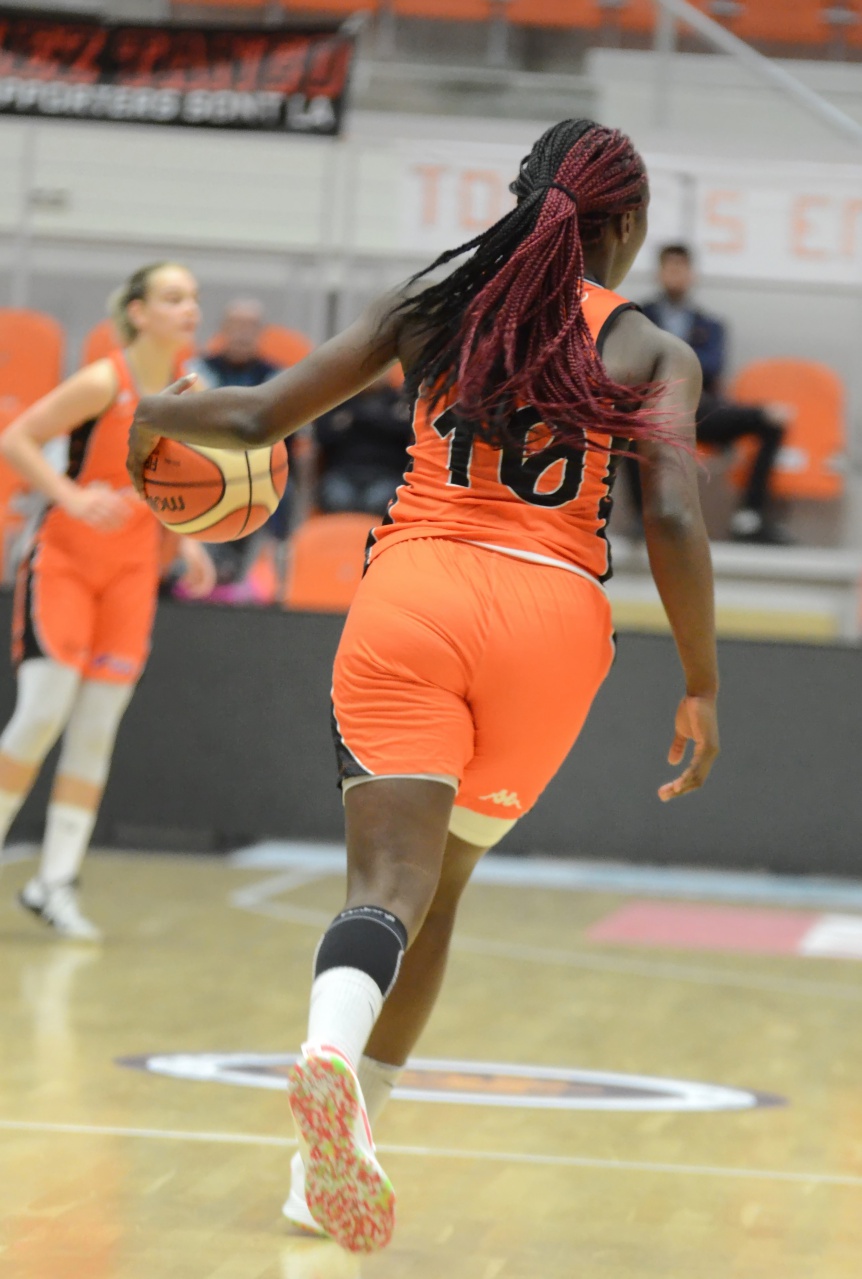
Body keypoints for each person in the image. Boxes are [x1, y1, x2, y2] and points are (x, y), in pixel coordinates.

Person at [127, 120, 720, 1254]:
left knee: (384, 882)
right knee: (442, 892)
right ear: (631, 226)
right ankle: (321, 1170)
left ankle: (326, 1053)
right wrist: (701, 682)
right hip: (554, 621)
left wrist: (151, 413)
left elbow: (255, 417)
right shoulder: (653, 349)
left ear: (521, 197)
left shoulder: (437, 303)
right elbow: (677, 521)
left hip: (417, 595)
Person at [0, 262, 215, 941]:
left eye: (193, 298)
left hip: (133, 571)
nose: (189, 308)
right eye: (173, 298)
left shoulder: (190, 392)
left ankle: (54, 882)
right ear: (138, 312)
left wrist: (190, 540)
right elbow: (16, 439)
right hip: (64, 561)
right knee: (42, 713)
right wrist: (69, 496)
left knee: (96, 728)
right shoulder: (104, 380)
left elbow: (175, 483)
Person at [629, 243, 791, 544]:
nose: (675, 274)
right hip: (652, 408)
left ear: (692, 273)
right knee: (629, 420)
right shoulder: (635, 316)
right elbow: (634, 362)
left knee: (773, 419)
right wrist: (682, 359)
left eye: (681, 267)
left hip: (699, 408)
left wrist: (664, 357)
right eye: (669, 267)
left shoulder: (711, 325)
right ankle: (643, 516)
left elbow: (712, 366)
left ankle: (750, 518)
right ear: (659, 272)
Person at [192, 299, 306, 594]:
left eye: (250, 327)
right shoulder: (196, 372)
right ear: (222, 329)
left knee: (283, 489)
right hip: (208, 467)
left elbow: (284, 433)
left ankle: (271, 579)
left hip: (261, 468)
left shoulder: (278, 376)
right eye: (236, 325)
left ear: (260, 333)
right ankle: (197, 574)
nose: (242, 333)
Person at [315, 374, 413, 516]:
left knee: (378, 502)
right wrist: (377, 419)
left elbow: (406, 431)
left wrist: (355, 419)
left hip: (386, 474)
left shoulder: (398, 401)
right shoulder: (339, 402)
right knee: (338, 499)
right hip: (343, 473)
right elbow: (322, 435)